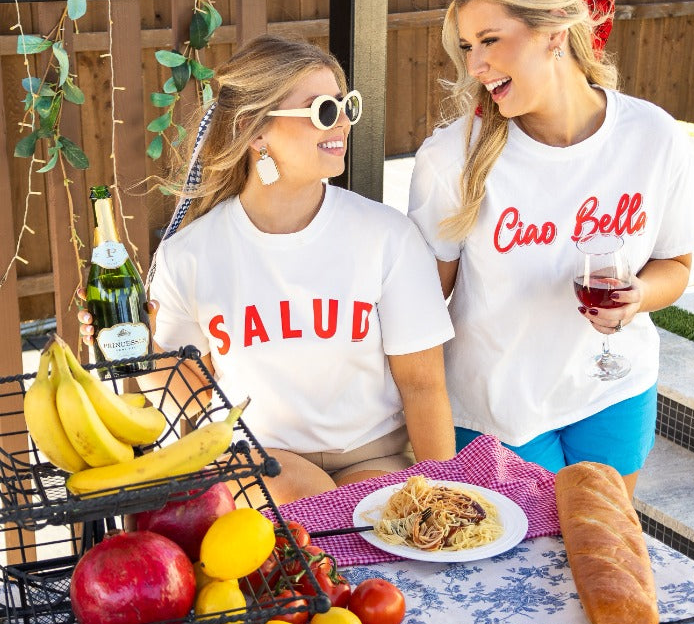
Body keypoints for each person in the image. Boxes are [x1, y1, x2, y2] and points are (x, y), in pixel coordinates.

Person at [79, 35, 455, 502]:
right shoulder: (189, 255)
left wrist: (445, 495)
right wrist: (140, 346)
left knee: (366, 515)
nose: (342, 123)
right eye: (322, 111)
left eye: (345, 106)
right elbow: (190, 399)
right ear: (254, 131)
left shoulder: (387, 236)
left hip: (373, 457)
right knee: (302, 497)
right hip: (258, 460)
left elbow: (423, 386)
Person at [407, 0, 694, 497]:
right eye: (468, 46)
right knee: (532, 553)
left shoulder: (653, 136)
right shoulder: (451, 158)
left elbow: (677, 264)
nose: (474, 65)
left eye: (490, 40)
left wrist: (638, 296)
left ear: (554, 31)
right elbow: (418, 308)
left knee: (603, 540)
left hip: (614, 393)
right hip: (497, 411)